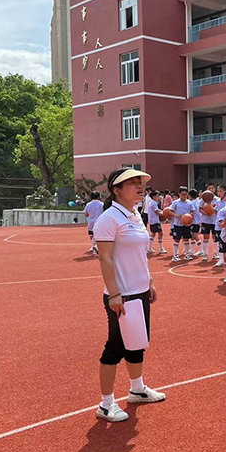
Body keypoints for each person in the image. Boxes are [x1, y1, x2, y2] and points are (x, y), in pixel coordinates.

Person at [93, 168, 165, 422]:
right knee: (115, 346)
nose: (139, 186)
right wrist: (114, 294)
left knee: (137, 342)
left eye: (140, 182)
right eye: (132, 183)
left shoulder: (135, 214)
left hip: (140, 291)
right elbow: (105, 257)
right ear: (116, 190)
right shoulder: (109, 219)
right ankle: (105, 404)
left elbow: (139, 254)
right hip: (121, 295)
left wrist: (149, 281)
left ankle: (137, 389)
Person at [169, 187, 193, 261]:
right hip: (177, 224)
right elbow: (170, 211)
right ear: (179, 194)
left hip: (186, 224)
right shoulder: (175, 202)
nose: (184, 196)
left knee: (186, 239)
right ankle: (175, 255)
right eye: (183, 194)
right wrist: (177, 216)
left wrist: (188, 216)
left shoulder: (189, 202)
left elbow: (192, 211)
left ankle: (187, 254)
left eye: (185, 194)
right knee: (177, 239)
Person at [84, 191, 104, 256]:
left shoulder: (88, 204)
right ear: (98, 196)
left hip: (91, 221)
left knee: (91, 234)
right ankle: (96, 246)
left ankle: (94, 246)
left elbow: (86, 214)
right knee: (98, 235)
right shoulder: (102, 204)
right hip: (99, 221)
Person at [146, 190, 166, 254]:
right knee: (160, 233)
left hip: (152, 221)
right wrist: (166, 214)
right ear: (154, 196)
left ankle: (149, 248)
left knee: (153, 234)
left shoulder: (151, 202)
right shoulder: (154, 203)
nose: (158, 197)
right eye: (157, 196)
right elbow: (157, 213)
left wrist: (163, 211)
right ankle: (161, 248)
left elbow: (157, 210)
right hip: (155, 221)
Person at [214, 185, 226, 267]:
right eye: (218, 191)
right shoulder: (218, 201)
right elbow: (215, 212)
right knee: (220, 242)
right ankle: (221, 259)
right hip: (218, 224)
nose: (219, 193)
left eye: (220, 191)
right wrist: (208, 205)